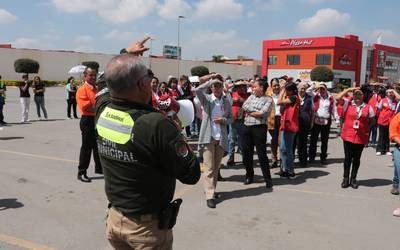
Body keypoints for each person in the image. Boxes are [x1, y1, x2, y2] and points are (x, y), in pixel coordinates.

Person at [96, 37, 200, 249]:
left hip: (115, 220)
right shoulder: (156, 125)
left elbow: (104, 81)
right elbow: (191, 174)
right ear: (142, 84)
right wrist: (177, 133)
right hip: (146, 230)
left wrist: (127, 53)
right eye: (148, 77)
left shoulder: (102, 108)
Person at [194, 74, 232, 209]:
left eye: (218, 85)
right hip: (208, 137)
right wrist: (211, 79)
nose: (216, 88)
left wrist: (223, 121)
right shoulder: (208, 100)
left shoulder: (226, 101)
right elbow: (197, 90)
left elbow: (230, 119)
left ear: (222, 87)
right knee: (208, 167)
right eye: (214, 86)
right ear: (211, 87)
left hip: (220, 137)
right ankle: (209, 195)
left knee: (216, 167)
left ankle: (211, 189)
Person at [336, 87, 375, 189]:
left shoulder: (368, 107)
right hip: (348, 135)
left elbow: (372, 121)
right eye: (356, 94)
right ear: (353, 95)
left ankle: (353, 179)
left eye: (360, 94)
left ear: (364, 96)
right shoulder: (347, 104)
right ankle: (345, 178)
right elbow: (338, 97)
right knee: (347, 158)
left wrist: (365, 129)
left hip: (361, 137)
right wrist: (349, 89)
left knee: (356, 159)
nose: (358, 96)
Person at [241, 79, 273, 187]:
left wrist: (251, 112)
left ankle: (267, 178)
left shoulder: (268, 99)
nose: (253, 88)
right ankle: (249, 175)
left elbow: (263, 113)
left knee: (262, 154)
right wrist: (255, 111)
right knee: (246, 153)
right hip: (247, 127)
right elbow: (244, 106)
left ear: (262, 88)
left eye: (255, 87)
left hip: (259, 129)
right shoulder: (251, 96)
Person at [76, 65, 103, 182]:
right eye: (90, 75)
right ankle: (81, 172)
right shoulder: (82, 89)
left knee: (98, 147)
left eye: (94, 75)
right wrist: (100, 108)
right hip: (87, 120)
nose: (93, 77)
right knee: (87, 148)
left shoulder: (96, 89)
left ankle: (100, 169)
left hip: (97, 120)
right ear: (85, 76)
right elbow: (87, 108)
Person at [309, 83, 337, 165]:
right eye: (320, 89)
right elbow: (308, 91)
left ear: (326, 89)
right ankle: (311, 157)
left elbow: (333, 109)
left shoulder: (330, 98)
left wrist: (337, 120)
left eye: (323, 89)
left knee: (324, 141)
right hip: (316, 120)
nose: (321, 90)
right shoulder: (315, 95)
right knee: (313, 140)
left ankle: (323, 157)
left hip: (326, 121)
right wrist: (314, 86)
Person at [278, 82, 300, 178]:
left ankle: (290, 170)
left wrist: (282, 89)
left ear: (290, 91)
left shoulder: (294, 97)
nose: (285, 92)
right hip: (284, 125)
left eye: (286, 90)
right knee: (283, 149)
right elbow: (281, 109)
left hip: (291, 126)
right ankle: (285, 168)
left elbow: (279, 102)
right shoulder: (289, 98)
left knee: (288, 149)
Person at [227, 81, 249, 166]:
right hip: (234, 120)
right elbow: (225, 89)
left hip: (244, 120)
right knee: (231, 140)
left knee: (243, 140)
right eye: (238, 86)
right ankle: (231, 157)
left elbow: (248, 103)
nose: (241, 88)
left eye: (242, 86)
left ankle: (244, 157)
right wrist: (233, 84)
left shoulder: (248, 95)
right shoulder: (232, 94)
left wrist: (247, 82)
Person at [296, 82, 314, 167]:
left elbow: (312, 111)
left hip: (305, 123)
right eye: (301, 88)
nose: (302, 90)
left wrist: (311, 122)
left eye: (304, 88)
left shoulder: (309, 98)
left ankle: (303, 161)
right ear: (298, 89)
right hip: (295, 123)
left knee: (303, 143)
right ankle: (291, 161)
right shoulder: (294, 97)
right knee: (294, 142)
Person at [376, 88, 398, 156]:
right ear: (386, 94)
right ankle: (379, 149)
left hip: (391, 121)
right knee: (381, 135)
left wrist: (394, 91)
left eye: (391, 92)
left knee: (388, 136)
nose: (390, 93)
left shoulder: (395, 101)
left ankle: (387, 149)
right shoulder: (383, 100)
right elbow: (379, 109)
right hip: (383, 120)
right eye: (388, 92)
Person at [267, 78, 281, 168]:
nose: (276, 87)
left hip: (281, 119)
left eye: (277, 85)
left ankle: (282, 159)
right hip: (272, 119)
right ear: (271, 86)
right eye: (274, 85)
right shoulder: (268, 96)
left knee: (281, 141)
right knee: (273, 141)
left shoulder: (283, 95)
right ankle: (274, 159)